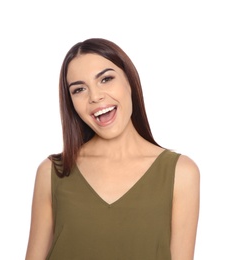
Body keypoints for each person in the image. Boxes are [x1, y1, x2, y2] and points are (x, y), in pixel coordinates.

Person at [25, 38, 200, 260]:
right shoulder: (53, 172)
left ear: (130, 80)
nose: (95, 97)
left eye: (106, 79)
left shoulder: (180, 172)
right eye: (79, 89)